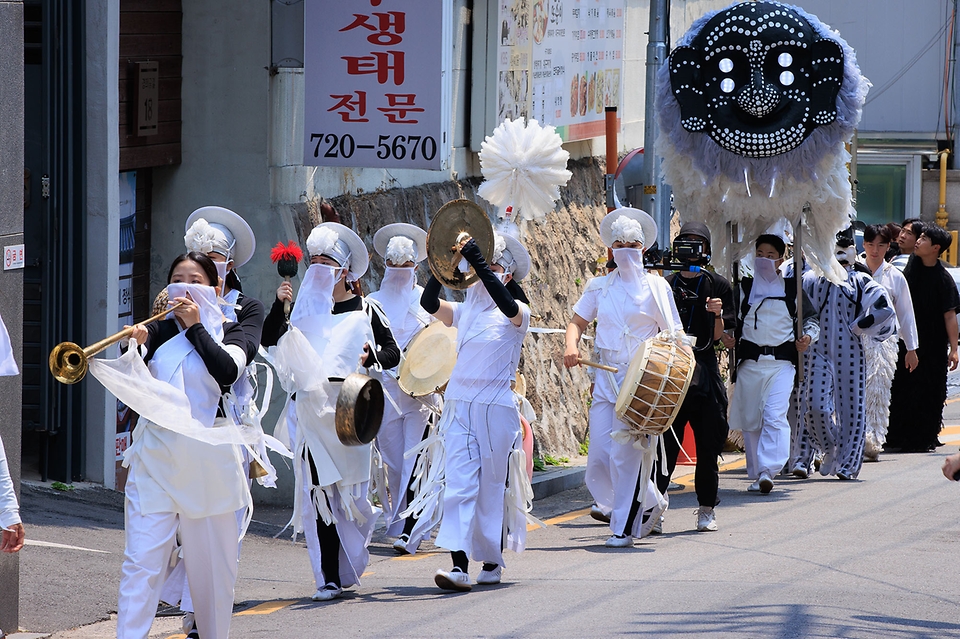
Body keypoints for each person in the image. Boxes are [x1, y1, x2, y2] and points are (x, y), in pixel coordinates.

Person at [105, 252, 251, 639]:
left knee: (211, 575)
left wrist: (196, 327)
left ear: (216, 287)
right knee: (141, 563)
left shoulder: (236, 326)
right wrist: (133, 347)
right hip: (155, 461)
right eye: (177, 279)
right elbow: (136, 389)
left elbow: (227, 371)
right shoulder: (159, 329)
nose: (185, 287)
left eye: (196, 280)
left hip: (208, 464)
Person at [262, 222, 400, 602]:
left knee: (353, 502)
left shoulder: (366, 311)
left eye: (328, 262)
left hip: (349, 412)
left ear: (344, 270)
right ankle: (327, 578)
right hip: (310, 412)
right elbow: (270, 339)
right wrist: (279, 304)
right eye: (315, 261)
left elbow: (394, 353)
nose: (320, 268)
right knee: (320, 496)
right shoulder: (301, 309)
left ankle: (350, 560)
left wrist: (372, 357)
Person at [163, 207, 268, 637]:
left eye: (214, 257)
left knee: (221, 529)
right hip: (177, 427)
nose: (204, 262)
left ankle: (202, 617)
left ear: (228, 265)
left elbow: (231, 370)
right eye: (195, 255)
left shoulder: (247, 308)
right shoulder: (173, 299)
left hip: (228, 428)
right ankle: (188, 606)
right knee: (178, 525)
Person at [417, 229, 533, 591]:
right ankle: (458, 566)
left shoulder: (518, 314)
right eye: (479, 263)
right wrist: (444, 266)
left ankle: (492, 559)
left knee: (491, 488)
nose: (481, 271)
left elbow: (504, 301)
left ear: (508, 274)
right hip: (459, 406)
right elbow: (427, 303)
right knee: (459, 484)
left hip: (496, 408)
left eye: (493, 265)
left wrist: (479, 259)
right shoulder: (464, 312)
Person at [564, 207, 681, 547]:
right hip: (605, 378)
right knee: (599, 458)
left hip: (643, 381)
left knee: (625, 455)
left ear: (643, 248)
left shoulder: (658, 287)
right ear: (610, 250)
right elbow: (576, 323)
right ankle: (651, 501)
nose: (626, 249)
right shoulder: (598, 287)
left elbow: (675, 335)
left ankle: (622, 528)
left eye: (632, 243)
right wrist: (571, 346)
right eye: (619, 243)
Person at [792, 234, 896, 480]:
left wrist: (858, 327)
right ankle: (827, 447)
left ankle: (848, 464)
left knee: (852, 409)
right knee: (813, 405)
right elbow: (795, 307)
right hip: (815, 350)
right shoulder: (810, 280)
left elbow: (884, 308)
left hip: (849, 349)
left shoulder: (860, 281)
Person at [654, 222, 734, 532]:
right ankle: (656, 509)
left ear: (706, 249)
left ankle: (706, 508)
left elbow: (719, 338)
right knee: (665, 448)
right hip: (670, 372)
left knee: (708, 445)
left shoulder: (719, 285)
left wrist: (715, 314)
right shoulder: (664, 284)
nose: (689, 248)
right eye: (684, 242)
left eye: (696, 243)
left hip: (704, 371)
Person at [366, 223, 437, 554]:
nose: (399, 271)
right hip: (385, 393)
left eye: (405, 265)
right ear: (385, 266)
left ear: (416, 266)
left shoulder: (427, 301)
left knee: (416, 459)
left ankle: (414, 527)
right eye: (393, 265)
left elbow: (442, 342)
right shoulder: (372, 302)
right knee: (393, 462)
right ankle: (397, 521)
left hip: (421, 394)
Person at [728, 234, 818, 494]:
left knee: (774, 414)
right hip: (750, 363)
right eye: (760, 254)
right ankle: (758, 474)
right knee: (751, 421)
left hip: (781, 364)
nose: (764, 259)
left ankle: (769, 469)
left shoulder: (793, 289)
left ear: (780, 259)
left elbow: (811, 320)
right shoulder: (744, 289)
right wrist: (727, 336)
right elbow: (731, 322)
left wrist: (807, 338)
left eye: (770, 255)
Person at [886, 225, 960, 452]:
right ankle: (896, 436)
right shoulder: (908, 271)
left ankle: (923, 437)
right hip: (905, 340)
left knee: (930, 390)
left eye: (924, 239)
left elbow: (950, 317)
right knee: (901, 387)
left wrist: (954, 349)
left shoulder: (943, 278)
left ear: (936, 248)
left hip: (934, 344)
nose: (918, 241)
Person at [860, 223, 918, 461]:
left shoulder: (895, 276)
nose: (875, 250)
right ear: (863, 244)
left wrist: (911, 348)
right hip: (854, 340)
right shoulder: (852, 271)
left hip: (884, 342)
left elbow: (905, 312)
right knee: (850, 390)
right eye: (871, 244)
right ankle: (851, 439)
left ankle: (872, 440)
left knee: (878, 389)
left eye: (881, 245)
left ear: (888, 246)